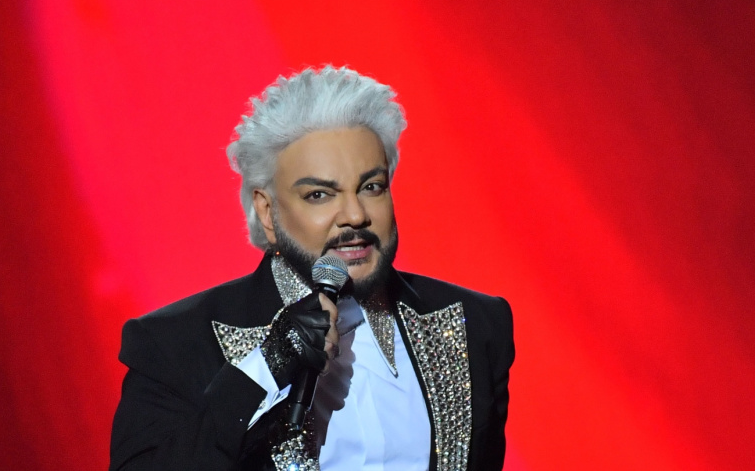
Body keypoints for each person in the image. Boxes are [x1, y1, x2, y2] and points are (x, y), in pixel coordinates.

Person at [110, 66, 515, 471]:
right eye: (320, 194)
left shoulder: (476, 325)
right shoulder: (173, 344)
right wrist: (266, 366)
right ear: (267, 213)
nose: (355, 215)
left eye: (371, 187)